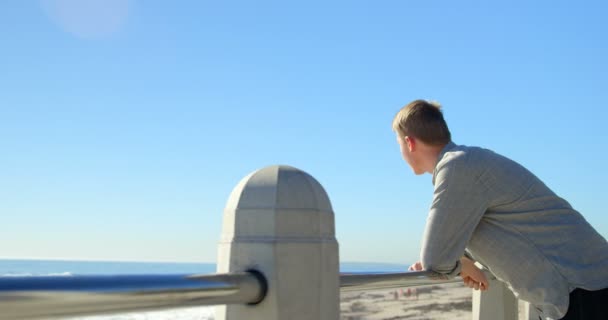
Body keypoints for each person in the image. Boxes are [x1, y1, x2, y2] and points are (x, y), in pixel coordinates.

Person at [394, 99, 608, 320]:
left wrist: (458, 264)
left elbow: (435, 261)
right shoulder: (468, 162)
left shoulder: (457, 168)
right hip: (584, 289)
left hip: (585, 292)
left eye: (398, 143)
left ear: (409, 143)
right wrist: (461, 262)